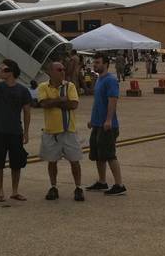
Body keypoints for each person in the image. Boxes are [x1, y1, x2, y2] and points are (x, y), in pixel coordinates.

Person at [0, 59, 31, 202]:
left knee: (16, 163)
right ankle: (0, 191)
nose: (2, 71)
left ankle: (15, 191)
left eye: (4, 69)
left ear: (11, 71)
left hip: (15, 130)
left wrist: (26, 132)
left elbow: (27, 112)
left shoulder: (23, 90)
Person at [37, 61, 83, 201]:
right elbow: (43, 104)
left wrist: (54, 102)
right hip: (51, 131)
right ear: (50, 72)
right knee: (52, 161)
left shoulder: (70, 86)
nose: (63, 71)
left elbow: (73, 104)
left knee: (75, 161)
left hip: (69, 130)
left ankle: (78, 187)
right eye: (59, 69)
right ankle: (53, 186)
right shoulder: (43, 86)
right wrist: (61, 100)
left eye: (63, 69)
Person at [86, 53, 126, 196]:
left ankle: (119, 184)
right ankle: (102, 182)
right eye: (94, 62)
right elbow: (97, 103)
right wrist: (92, 120)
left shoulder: (110, 80)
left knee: (109, 155)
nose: (95, 65)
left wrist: (109, 120)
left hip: (107, 125)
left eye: (97, 62)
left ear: (106, 64)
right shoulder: (99, 80)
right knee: (98, 154)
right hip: (97, 124)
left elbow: (112, 100)